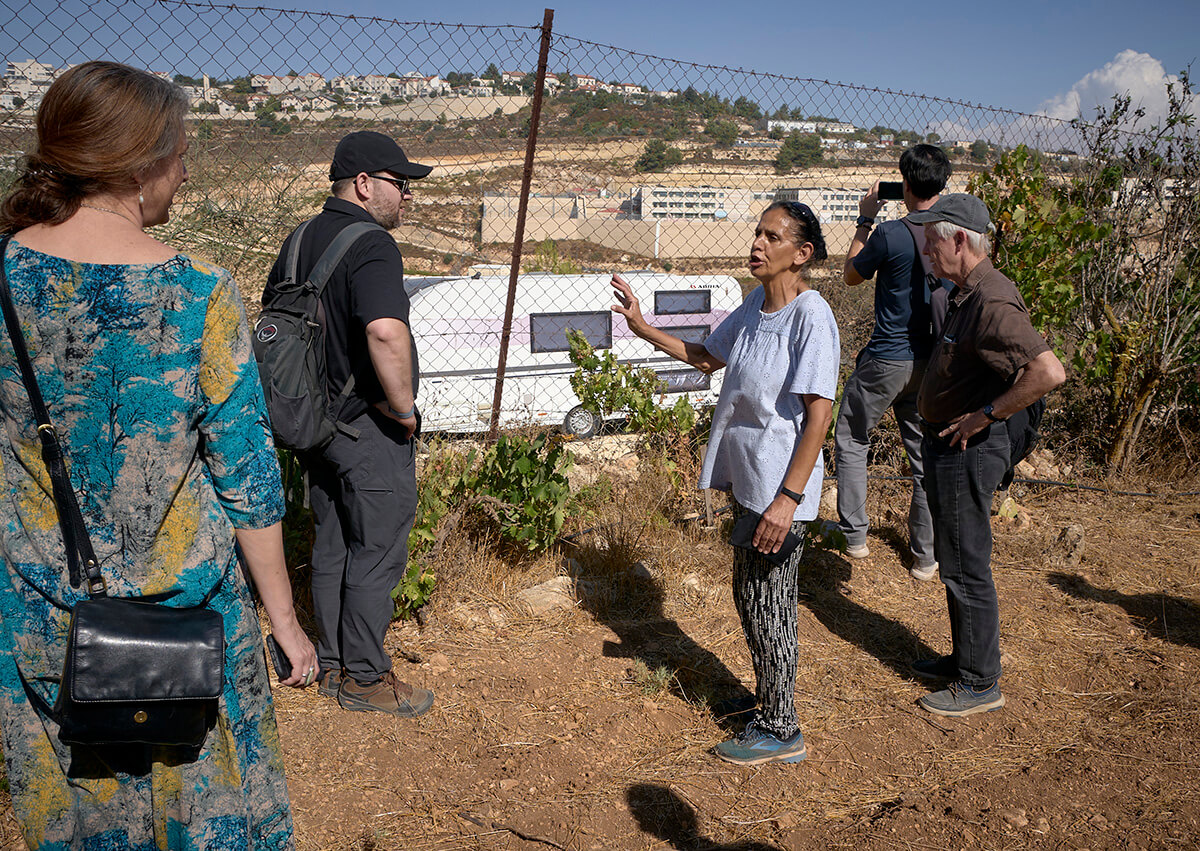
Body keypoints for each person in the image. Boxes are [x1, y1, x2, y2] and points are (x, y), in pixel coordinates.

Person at [0, 61, 317, 849]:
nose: (186, 170)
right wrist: (286, 620)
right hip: (191, 621)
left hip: (38, 616)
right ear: (139, 165)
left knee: (77, 822)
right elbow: (245, 476)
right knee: (207, 818)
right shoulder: (198, 289)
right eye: (179, 152)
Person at [611, 201, 839, 765]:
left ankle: (782, 727)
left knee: (771, 603)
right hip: (751, 485)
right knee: (753, 597)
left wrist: (787, 499)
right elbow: (705, 356)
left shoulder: (812, 317)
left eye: (772, 236)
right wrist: (642, 326)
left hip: (779, 493)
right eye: (756, 232)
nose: (758, 243)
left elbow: (819, 415)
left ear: (801, 253)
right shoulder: (753, 307)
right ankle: (770, 702)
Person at [264, 131, 434, 717]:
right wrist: (405, 408)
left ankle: (333, 664)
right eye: (400, 183)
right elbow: (384, 331)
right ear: (364, 184)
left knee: (333, 543)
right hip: (366, 428)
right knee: (378, 548)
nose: (407, 197)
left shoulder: (298, 240)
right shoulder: (373, 245)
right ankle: (364, 676)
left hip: (313, 427)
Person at [907, 194, 1065, 716]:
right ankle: (965, 659)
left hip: (969, 449)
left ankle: (979, 682)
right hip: (955, 444)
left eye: (932, 242)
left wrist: (986, 416)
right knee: (955, 556)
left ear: (958, 240)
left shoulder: (991, 300)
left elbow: (1048, 372)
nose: (927, 251)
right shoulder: (966, 292)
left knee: (965, 561)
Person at [835, 144, 951, 579]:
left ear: (904, 184)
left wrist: (866, 219)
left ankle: (855, 537)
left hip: (886, 357)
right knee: (923, 456)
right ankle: (925, 557)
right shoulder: (951, 234)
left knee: (852, 437)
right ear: (941, 184)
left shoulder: (889, 235)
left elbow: (850, 275)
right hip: (931, 360)